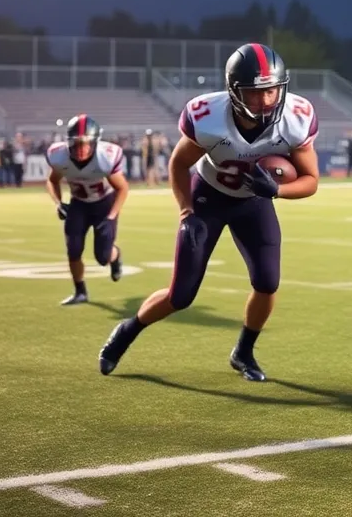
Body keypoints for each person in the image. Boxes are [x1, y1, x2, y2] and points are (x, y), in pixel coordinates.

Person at [96, 43, 319, 381]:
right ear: (234, 91)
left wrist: (277, 191)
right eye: (255, 93)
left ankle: (243, 351)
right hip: (208, 198)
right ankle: (127, 330)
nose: (266, 101)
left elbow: (311, 180)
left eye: (272, 91)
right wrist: (186, 212)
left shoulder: (296, 119)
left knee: (267, 282)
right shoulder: (209, 117)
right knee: (180, 295)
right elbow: (178, 164)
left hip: (254, 202)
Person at [45, 115, 129, 305]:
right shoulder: (60, 156)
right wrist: (58, 203)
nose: (82, 149)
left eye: (87, 144)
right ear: (69, 142)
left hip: (104, 205)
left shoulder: (105, 157)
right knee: (73, 249)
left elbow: (122, 188)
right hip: (79, 204)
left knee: (103, 257)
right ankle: (80, 291)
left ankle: (115, 256)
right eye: (77, 144)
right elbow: (52, 181)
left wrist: (111, 217)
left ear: (95, 143)